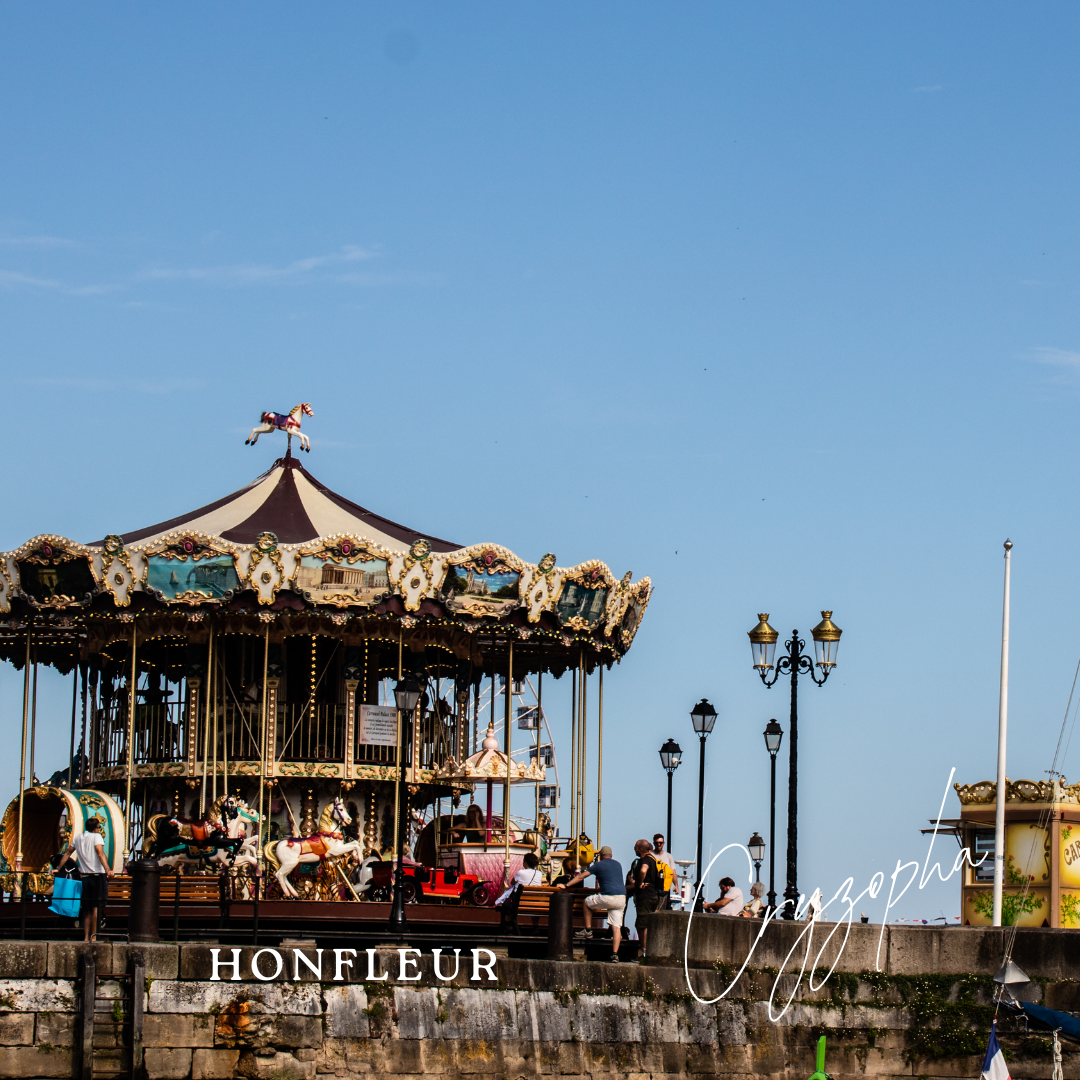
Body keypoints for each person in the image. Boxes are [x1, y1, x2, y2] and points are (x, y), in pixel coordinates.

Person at [557, 844, 626, 962]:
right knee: (616, 927)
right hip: (621, 898)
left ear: (600, 856)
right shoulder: (618, 864)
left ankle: (588, 930)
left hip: (607, 896)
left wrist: (566, 885)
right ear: (611, 855)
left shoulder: (598, 865)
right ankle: (615, 954)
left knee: (586, 902)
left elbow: (581, 877)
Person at [55, 817, 114, 942]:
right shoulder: (96, 837)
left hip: (85, 876)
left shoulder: (78, 838)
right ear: (95, 828)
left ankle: (86, 936)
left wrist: (58, 868)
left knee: (88, 909)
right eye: (98, 827)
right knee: (96, 908)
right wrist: (108, 869)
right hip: (97, 875)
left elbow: (67, 853)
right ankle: (94, 936)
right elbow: (100, 852)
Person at [630, 838, 662, 956]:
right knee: (641, 924)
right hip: (653, 895)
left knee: (643, 925)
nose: (634, 850)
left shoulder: (646, 860)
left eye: (635, 848)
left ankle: (645, 952)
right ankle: (646, 950)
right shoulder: (653, 859)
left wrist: (639, 883)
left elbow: (643, 871)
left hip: (645, 896)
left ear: (640, 850)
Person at [652, 833, 676, 909]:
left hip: (664, 888)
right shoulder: (651, 855)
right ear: (654, 843)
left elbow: (673, 872)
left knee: (661, 908)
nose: (659, 844)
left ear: (663, 843)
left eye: (660, 843)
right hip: (653, 887)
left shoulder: (668, 856)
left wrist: (676, 885)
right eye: (657, 843)